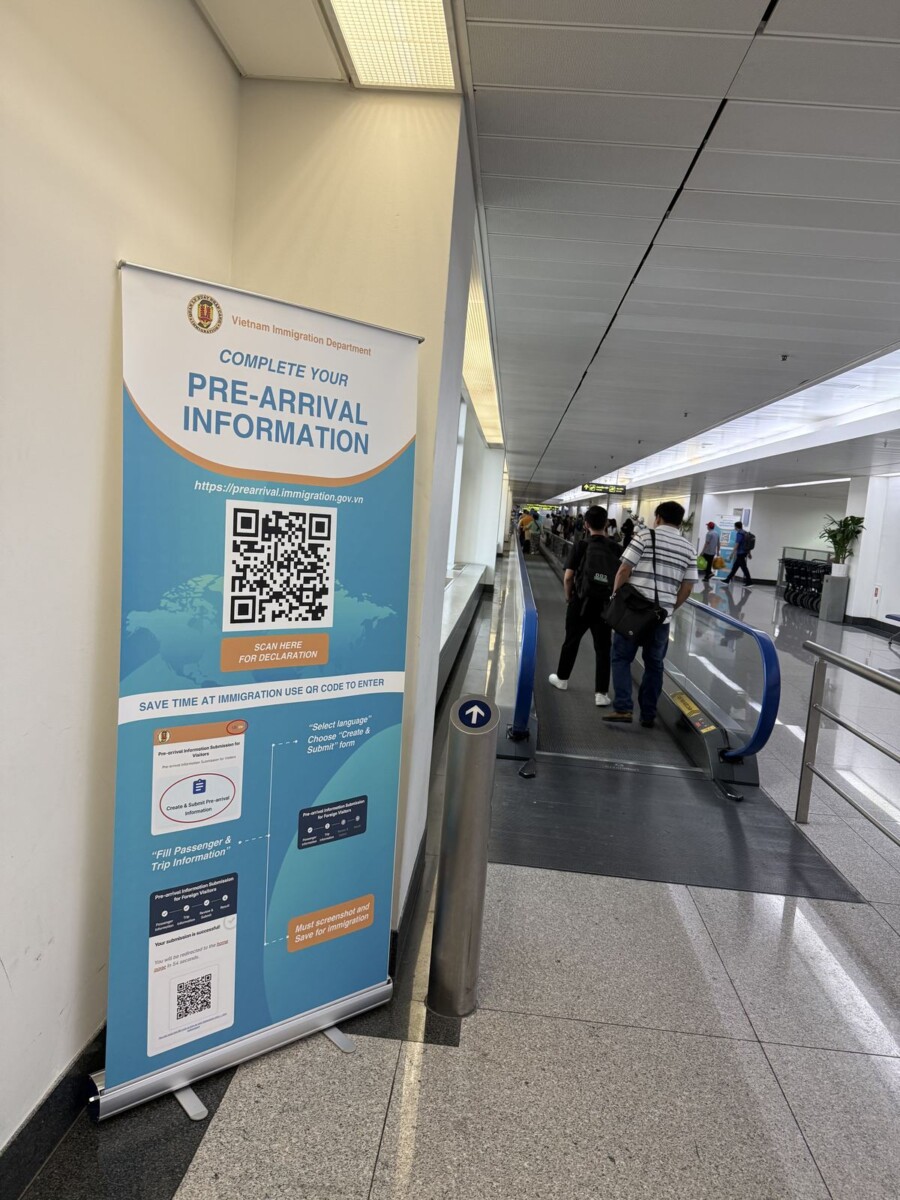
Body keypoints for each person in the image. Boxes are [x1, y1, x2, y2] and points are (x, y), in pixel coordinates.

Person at [603, 500, 698, 728]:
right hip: (660, 619)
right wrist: (668, 609)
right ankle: (648, 714)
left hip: (633, 612)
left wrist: (615, 596)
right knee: (654, 665)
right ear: (680, 522)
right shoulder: (689, 548)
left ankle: (624, 708)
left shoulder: (645, 536)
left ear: (658, 518)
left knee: (621, 657)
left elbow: (624, 569)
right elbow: (687, 587)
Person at [548, 506, 621, 706]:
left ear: (586, 524)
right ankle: (601, 694)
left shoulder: (581, 545)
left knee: (571, 641)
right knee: (603, 648)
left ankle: (562, 679)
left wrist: (569, 597)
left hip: (580, 602)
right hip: (604, 605)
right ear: (606, 524)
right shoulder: (616, 548)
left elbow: (568, 577)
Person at [725, 521, 753, 585]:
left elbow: (737, 544)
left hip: (740, 553)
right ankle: (727, 579)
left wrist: (731, 554)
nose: (734, 528)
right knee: (735, 567)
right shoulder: (745, 533)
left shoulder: (739, 533)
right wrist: (749, 553)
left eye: (734, 526)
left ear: (736, 527)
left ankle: (749, 582)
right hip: (744, 553)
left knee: (744, 568)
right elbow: (748, 544)